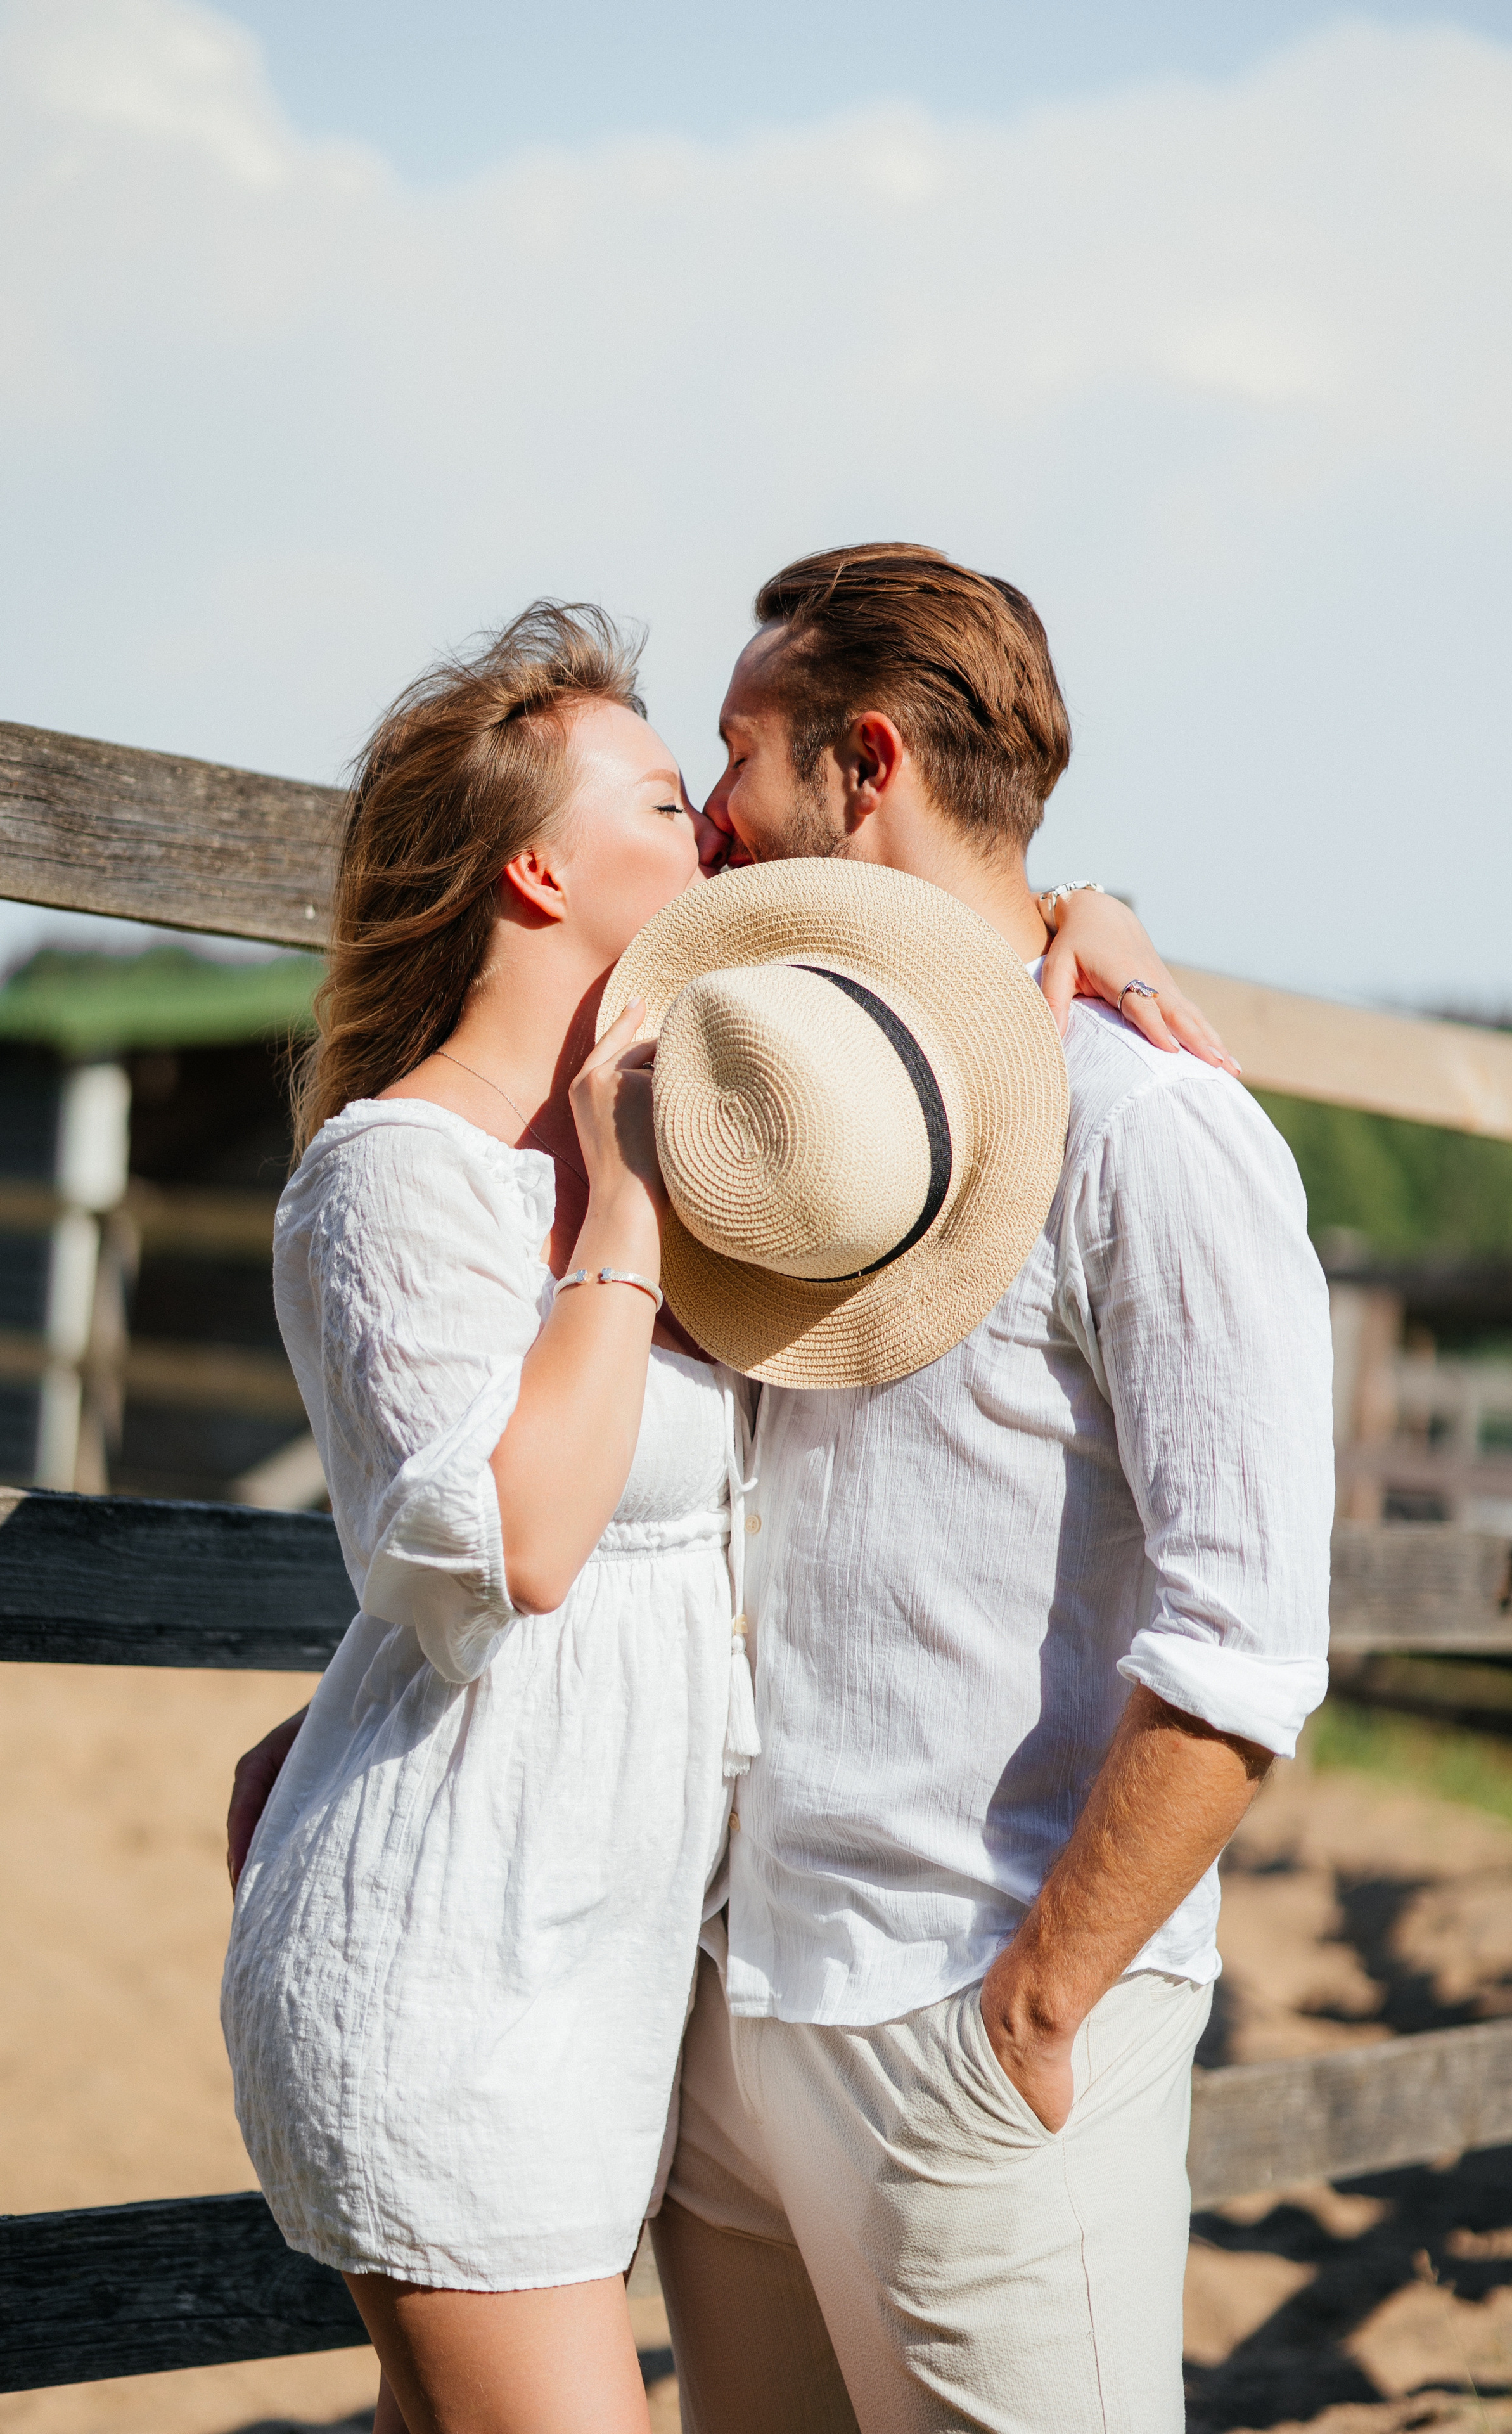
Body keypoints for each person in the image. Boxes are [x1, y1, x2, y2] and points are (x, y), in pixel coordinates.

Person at [221, 588, 1219, 2434]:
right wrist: (615, 1211)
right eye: (670, 801)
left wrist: (1076, 918)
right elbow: (512, 1545)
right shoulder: (401, 1179)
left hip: (621, 1995)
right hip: (465, 1973)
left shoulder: (708, 1143)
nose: (721, 830)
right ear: (536, 875)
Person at [634, 543, 1337, 2434]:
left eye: (741, 752)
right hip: (741, 2007)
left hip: (980, 2027)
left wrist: (1036, 2010)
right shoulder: (770, 1088)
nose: (712, 811)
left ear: (866, 765)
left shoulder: (1155, 1133)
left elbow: (1248, 1639)